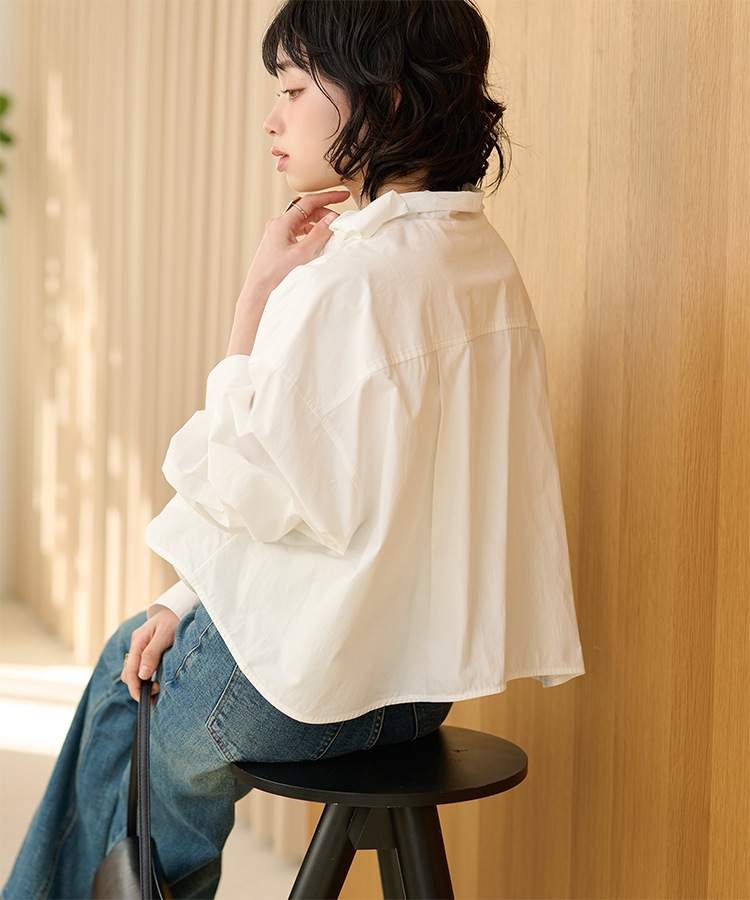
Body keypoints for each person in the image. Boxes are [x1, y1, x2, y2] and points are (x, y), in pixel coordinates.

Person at [4, 0, 584, 896]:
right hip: (420, 686)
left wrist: (255, 301)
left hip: (313, 691)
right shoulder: (482, 262)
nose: (272, 119)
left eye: (293, 90)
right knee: (140, 649)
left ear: (384, 99)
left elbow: (240, 485)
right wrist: (186, 598)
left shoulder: (344, 284)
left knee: (129, 687)